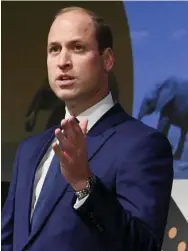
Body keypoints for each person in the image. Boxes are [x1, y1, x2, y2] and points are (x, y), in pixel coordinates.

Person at [1, 6, 174, 251]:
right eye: (54, 49)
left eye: (77, 48)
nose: (63, 62)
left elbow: (142, 246)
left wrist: (85, 184)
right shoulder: (28, 151)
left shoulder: (142, 145)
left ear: (108, 59)